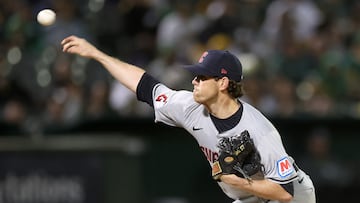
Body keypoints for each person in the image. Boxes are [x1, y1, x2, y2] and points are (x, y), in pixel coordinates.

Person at [61, 35, 316, 203]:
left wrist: (236, 180)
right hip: (249, 197)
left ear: (223, 83)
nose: (194, 80)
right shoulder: (190, 106)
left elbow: (285, 193)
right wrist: (97, 54)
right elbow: (145, 86)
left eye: (202, 77)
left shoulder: (259, 130)